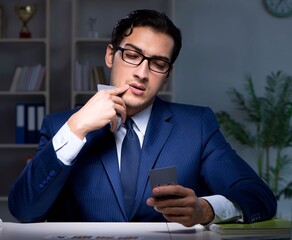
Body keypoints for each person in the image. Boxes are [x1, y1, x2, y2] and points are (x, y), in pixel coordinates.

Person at [8, 9, 277, 227]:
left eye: (158, 63)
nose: (142, 73)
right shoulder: (61, 126)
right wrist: (76, 128)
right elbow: (24, 210)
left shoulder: (197, 126)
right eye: (133, 55)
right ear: (111, 55)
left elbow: (259, 197)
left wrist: (206, 210)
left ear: (167, 74)